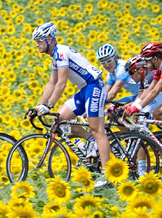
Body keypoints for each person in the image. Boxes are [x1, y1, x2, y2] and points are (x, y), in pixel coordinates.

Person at [29, 22, 110, 187]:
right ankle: (90, 142)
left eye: (39, 40)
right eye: (35, 41)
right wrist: (39, 106)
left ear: (50, 39)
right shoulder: (54, 57)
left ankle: (107, 174)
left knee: (97, 129)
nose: (37, 44)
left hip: (94, 86)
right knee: (59, 121)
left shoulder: (61, 53)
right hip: (84, 89)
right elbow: (51, 83)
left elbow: (61, 83)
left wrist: (49, 105)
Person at [125, 43, 162, 155]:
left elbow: (155, 91)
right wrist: (134, 106)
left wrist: (137, 108)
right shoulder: (159, 70)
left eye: (147, 61)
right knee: (157, 113)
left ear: (155, 59)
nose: (145, 65)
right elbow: (148, 91)